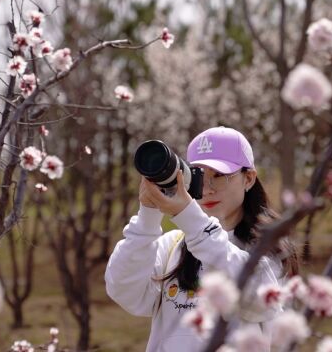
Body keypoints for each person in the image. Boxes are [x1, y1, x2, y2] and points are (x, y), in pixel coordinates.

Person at [105, 126, 298, 351]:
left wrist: (191, 219)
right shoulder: (174, 246)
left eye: (219, 176)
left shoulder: (269, 248)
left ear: (249, 179)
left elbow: (262, 302)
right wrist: (148, 214)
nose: (207, 189)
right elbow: (124, 291)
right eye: (198, 176)